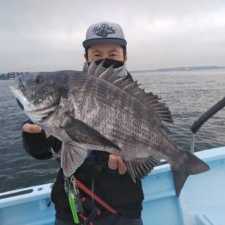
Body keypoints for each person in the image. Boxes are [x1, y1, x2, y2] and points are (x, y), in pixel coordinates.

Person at [21, 21, 144, 225]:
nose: (105, 59)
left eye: (112, 54)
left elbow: (147, 152)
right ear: (86, 57)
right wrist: (35, 138)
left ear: (125, 56)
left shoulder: (138, 102)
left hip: (124, 208)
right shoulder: (65, 92)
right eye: (96, 55)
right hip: (71, 207)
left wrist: (135, 159)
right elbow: (42, 151)